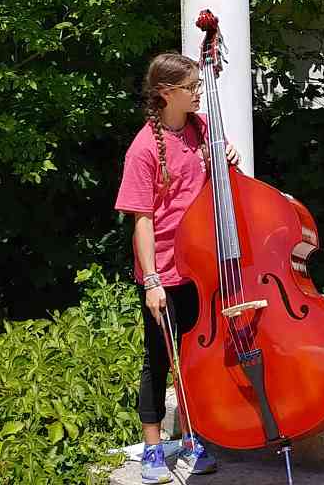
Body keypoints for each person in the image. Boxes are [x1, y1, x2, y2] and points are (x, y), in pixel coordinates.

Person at [114, 52, 237, 483]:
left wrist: (227, 154)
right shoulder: (144, 147)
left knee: (198, 358)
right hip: (163, 271)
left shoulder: (200, 128)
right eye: (192, 88)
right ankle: (152, 449)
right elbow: (142, 221)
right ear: (167, 93)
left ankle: (190, 439)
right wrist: (150, 281)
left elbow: (212, 171)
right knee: (159, 360)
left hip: (201, 266)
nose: (199, 93)